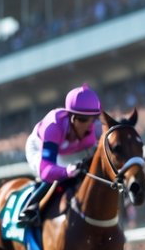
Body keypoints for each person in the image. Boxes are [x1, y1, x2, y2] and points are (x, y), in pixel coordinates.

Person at [15, 84, 103, 226]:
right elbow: (46, 171)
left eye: (93, 119)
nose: (89, 125)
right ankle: (30, 208)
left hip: (66, 152)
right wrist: (67, 171)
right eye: (83, 120)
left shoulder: (90, 129)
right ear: (72, 117)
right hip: (38, 149)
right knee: (55, 176)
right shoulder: (53, 127)